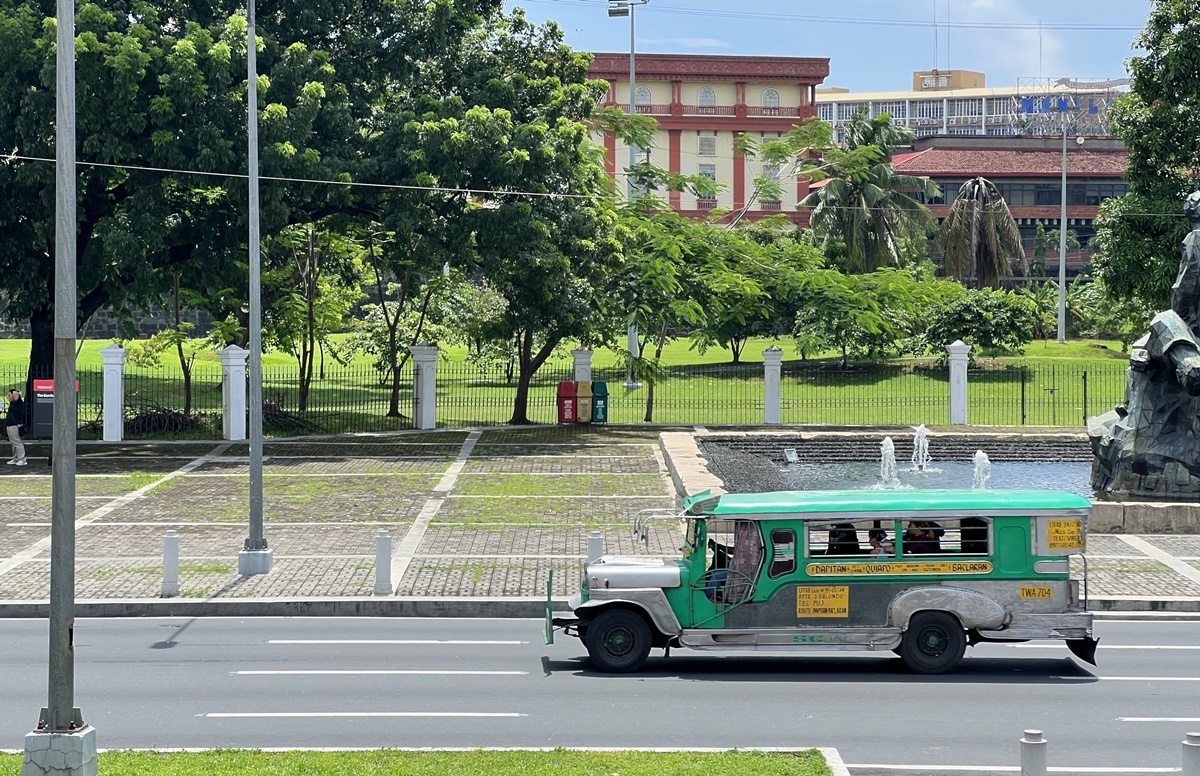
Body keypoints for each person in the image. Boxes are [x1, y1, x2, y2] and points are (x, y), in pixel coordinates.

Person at [1089, 190, 1200, 497]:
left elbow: (1184, 294)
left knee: (1163, 320)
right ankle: (1186, 361)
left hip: (1193, 335)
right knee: (1149, 342)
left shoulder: (1197, 239)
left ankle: (1190, 362)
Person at [5, 388, 26, 466]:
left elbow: (15, 393)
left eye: (9, 395)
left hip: (14, 426)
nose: (8, 396)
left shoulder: (18, 403)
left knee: (17, 442)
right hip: (10, 425)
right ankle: (15, 458)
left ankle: (22, 459)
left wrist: (16, 392)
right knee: (13, 443)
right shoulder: (12, 403)